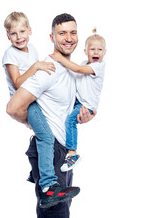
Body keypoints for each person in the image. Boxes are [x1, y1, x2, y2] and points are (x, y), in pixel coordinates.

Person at [6, 13, 96, 217]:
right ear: (51, 37)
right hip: (51, 150)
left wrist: (84, 115)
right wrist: (34, 124)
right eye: (62, 33)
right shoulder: (49, 70)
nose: (68, 38)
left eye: (72, 32)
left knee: (61, 211)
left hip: (63, 150)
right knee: (56, 213)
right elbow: (13, 107)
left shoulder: (72, 70)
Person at [2, 11, 63, 207]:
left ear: (30, 31)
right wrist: (36, 66)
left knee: (47, 131)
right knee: (46, 137)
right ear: (7, 36)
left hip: (36, 98)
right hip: (25, 102)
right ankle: (47, 186)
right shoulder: (10, 54)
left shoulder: (33, 49)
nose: (19, 37)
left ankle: (35, 171)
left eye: (22, 31)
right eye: (13, 33)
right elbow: (19, 83)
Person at [50, 28, 106, 172]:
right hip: (77, 101)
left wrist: (61, 59)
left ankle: (72, 154)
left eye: (100, 49)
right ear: (85, 51)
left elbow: (78, 70)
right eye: (92, 49)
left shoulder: (98, 66)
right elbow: (75, 74)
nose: (96, 52)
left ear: (104, 52)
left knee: (70, 121)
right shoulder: (83, 62)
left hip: (86, 105)